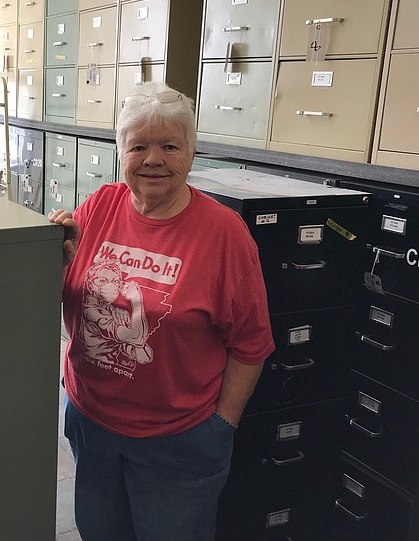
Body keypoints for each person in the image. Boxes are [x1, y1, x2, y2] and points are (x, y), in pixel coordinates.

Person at [48, 82, 274, 541]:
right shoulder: (100, 205)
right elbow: (71, 300)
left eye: (170, 146)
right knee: (99, 532)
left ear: (192, 153)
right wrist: (51, 261)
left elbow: (251, 344)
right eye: (139, 147)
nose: (154, 159)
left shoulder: (223, 234)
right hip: (92, 423)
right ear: (121, 152)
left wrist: (220, 425)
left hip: (178, 439)